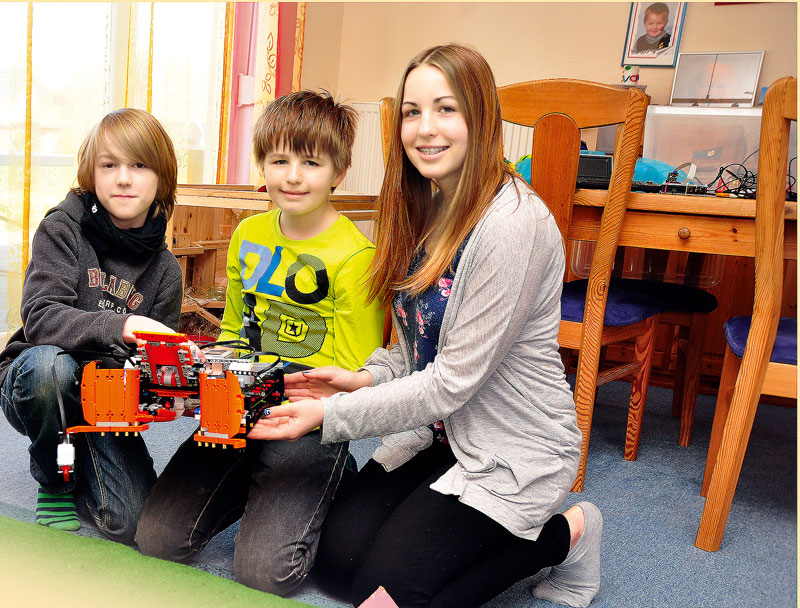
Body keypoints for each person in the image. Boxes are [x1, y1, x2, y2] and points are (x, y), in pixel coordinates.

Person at [250, 44, 604, 608]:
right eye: (412, 112)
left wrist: (330, 415)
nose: (425, 128)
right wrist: (361, 378)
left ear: (480, 117)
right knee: (335, 567)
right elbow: (418, 348)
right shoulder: (421, 205)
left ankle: (568, 535)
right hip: (438, 431)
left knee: (385, 596)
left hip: (508, 444)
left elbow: (450, 382)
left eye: (446, 109)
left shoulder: (513, 224)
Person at [135, 91, 385, 596]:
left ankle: (333, 479)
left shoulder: (357, 257)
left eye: (311, 162)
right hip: (237, 405)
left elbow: (358, 373)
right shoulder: (248, 234)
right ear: (263, 165)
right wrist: (197, 382)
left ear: (339, 170)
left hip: (308, 421)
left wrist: (313, 413)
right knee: (157, 540)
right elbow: (232, 334)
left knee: (266, 574)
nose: (293, 176)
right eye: (280, 160)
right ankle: (257, 478)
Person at [0, 108, 183, 543]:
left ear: (161, 178)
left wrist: (170, 391)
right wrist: (120, 326)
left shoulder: (165, 270)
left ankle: (77, 456)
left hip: (106, 402)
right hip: (35, 380)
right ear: (91, 173)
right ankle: (56, 481)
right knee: (52, 369)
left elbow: (152, 370)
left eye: (139, 165)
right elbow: (41, 318)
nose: (123, 178)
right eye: (109, 165)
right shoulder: (62, 229)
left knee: (129, 521)